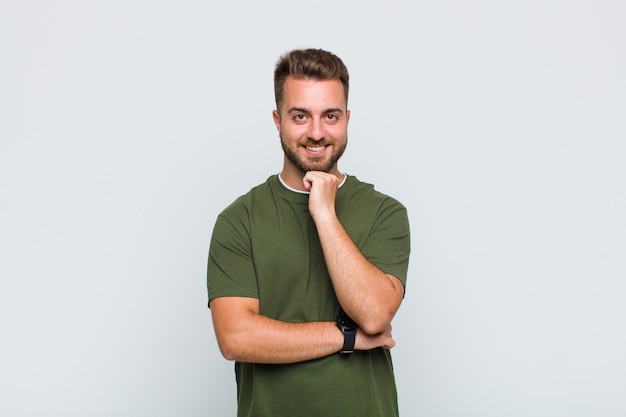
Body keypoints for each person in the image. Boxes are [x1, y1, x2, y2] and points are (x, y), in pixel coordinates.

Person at [206, 48, 411, 417]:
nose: (316, 132)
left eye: (330, 116)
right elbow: (236, 338)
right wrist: (346, 337)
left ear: (347, 119)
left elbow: (375, 314)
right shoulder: (239, 220)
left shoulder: (385, 213)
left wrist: (324, 215)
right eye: (300, 116)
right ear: (277, 120)